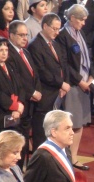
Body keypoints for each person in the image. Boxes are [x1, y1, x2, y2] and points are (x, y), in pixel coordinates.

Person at [56, 4, 94, 171]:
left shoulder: (79, 32)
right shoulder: (63, 35)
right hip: (73, 84)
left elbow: (87, 56)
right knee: (72, 123)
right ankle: (67, 158)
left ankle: (75, 157)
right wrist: (80, 81)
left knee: (80, 123)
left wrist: (91, 75)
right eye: (81, 19)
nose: (84, 23)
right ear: (72, 18)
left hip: (85, 83)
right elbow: (65, 64)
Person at [27, 13, 70, 151]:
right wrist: (60, 83)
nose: (57, 32)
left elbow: (63, 64)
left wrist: (65, 83)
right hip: (44, 96)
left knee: (55, 135)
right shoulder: (35, 45)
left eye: (59, 29)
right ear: (45, 26)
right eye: (54, 29)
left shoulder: (55, 44)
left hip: (58, 95)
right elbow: (42, 71)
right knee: (41, 135)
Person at [0, 36, 25, 167]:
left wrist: (20, 105)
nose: (4, 53)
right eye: (0, 50)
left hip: (13, 115)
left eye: (6, 50)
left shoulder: (10, 65)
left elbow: (20, 87)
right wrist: (14, 107)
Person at [7, 20, 42, 168]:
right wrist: (32, 92)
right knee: (16, 140)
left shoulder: (26, 51)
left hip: (31, 105)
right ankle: (16, 169)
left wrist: (38, 90)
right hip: (19, 103)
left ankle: (23, 169)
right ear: (11, 35)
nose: (25, 38)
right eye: (21, 35)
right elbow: (17, 79)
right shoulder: (8, 52)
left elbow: (35, 74)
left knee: (25, 139)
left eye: (26, 35)